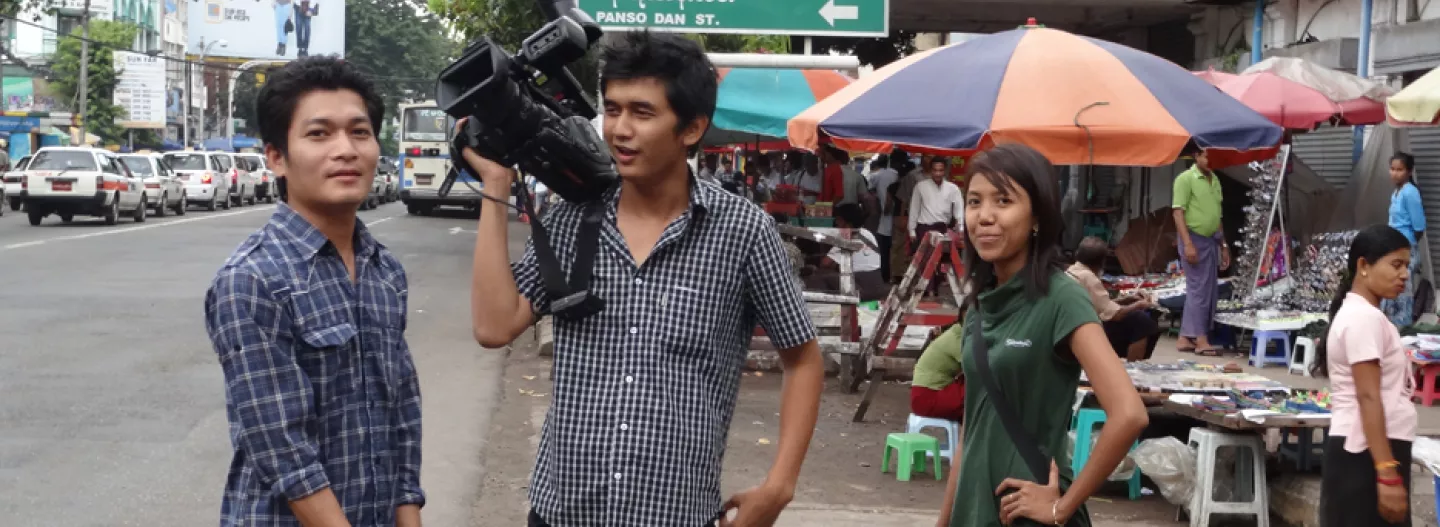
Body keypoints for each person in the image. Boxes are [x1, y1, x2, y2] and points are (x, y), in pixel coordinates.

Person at [466, 31, 824, 527]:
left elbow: (803, 358)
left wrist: (779, 487)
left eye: (642, 112)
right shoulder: (572, 220)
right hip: (561, 514)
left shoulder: (743, 232)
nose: (620, 130)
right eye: (612, 110)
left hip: (675, 515)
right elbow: (494, 326)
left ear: (692, 129)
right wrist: (496, 186)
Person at [203, 57, 424, 526]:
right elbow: (283, 448)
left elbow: (401, 411)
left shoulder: (385, 271)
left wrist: (408, 514)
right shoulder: (252, 280)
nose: (345, 150)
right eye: (319, 134)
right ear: (276, 157)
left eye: (359, 132)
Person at [935, 143, 1146, 527]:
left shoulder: (1062, 298)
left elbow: (1129, 414)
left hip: (1025, 515)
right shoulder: (979, 307)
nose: (984, 216)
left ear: (1036, 217)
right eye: (974, 201)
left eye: (1003, 201)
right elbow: (972, 429)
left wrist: (1060, 509)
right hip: (975, 510)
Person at [1315, 224, 1417, 527]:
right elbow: (1368, 395)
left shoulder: (1366, 315)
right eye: (1396, 265)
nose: (1405, 275)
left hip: (1368, 448)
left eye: (1407, 266)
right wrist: (1386, 472)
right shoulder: (1363, 318)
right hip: (1366, 453)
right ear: (1363, 266)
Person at [1171, 147, 1229, 355]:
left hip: (1211, 240)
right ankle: (1201, 338)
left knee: (1207, 290)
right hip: (1194, 239)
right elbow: (1178, 213)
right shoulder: (1185, 179)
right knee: (1199, 291)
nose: (1210, 160)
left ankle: (1185, 337)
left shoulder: (1215, 180)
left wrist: (1223, 245)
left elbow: (1217, 215)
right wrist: (1187, 244)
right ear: (1196, 156)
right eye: (1206, 156)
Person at [1067, 237, 1161, 362]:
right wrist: (1138, 305)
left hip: (1075, 323)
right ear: (1101, 262)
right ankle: (1133, 367)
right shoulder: (1089, 278)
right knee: (1142, 321)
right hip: (1083, 328)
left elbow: (1099, 305)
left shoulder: (1072, 270)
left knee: (1136, 318)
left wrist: (1125, 300)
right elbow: (1116, 315)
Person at [803, 203, 888, 301]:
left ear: (847, 223)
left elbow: (825, 263)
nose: (836, 223)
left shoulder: (846, 237)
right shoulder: (867, 233)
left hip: (861, 288)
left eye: (838, 220)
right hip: (877, 286)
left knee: (818, 278)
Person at [1383, 152, 1426, 328]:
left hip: (1405, 250)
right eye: (1392, 169)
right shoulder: (1396, 192)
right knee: (1392, 292)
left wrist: (1407, 249)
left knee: (1402, 295)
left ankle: (1403, 332)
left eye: (1399, 170)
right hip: (1393, 249)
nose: (1395, 173)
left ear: (1409, 171)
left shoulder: (1410, 192)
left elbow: (1419, 227)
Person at [911, 322, 965, 423]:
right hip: (927, 398)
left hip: (926, 396)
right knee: (977, 388)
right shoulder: (956, 339)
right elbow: (979, 367)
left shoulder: (952, 334)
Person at [908, 157, 964, 251]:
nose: (938, 173)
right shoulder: (920, 186)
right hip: (924, 230)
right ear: (930, 171)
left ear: (945, 171)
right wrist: (912, 230)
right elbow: (914, 209)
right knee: (924, 262)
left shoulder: (953, 188)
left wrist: (961, 227)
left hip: (943, 230)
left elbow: (959, 210)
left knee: (943, 261)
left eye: (940, 170)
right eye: (935, 170)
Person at [867, 155, 901, 280]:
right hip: (900, 218)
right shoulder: (895, 174)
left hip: (885, 217)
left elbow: (870, 191)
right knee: (896, 249)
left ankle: (884, 274)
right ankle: (893, 275)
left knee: (884, 249)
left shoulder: (876, 175)